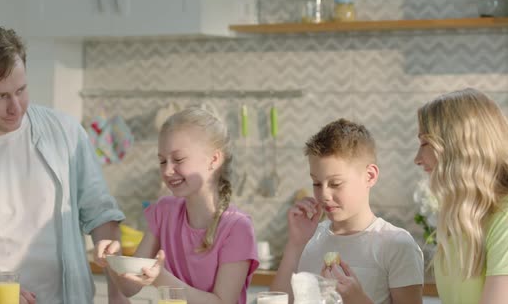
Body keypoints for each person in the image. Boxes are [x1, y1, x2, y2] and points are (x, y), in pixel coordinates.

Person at [0, 27, 127, 303]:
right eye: (0, 96)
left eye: (21, 90)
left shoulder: (64, 132)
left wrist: (116, 286)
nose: (15, 106)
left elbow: (100, 212)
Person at [111, 106, 259, 304]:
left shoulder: (237, 227)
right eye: (162, 161)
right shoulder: (164, 211)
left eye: (178, 159)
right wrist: (112, 260)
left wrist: (160, 277)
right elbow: (129, 287)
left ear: (214, 159)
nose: (168, 170)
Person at [270, 118, 424, 304]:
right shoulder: (308, 241)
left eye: (335, 183)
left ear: (370, 176)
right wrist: (295, 244)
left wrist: (358, 300)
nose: (324, 194)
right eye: (316, 183)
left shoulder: (396, 245)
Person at [414, 88, 508, 304]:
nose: (417, 159)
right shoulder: (461, 218)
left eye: (424, 143)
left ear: (457, 146)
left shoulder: (504, 218)